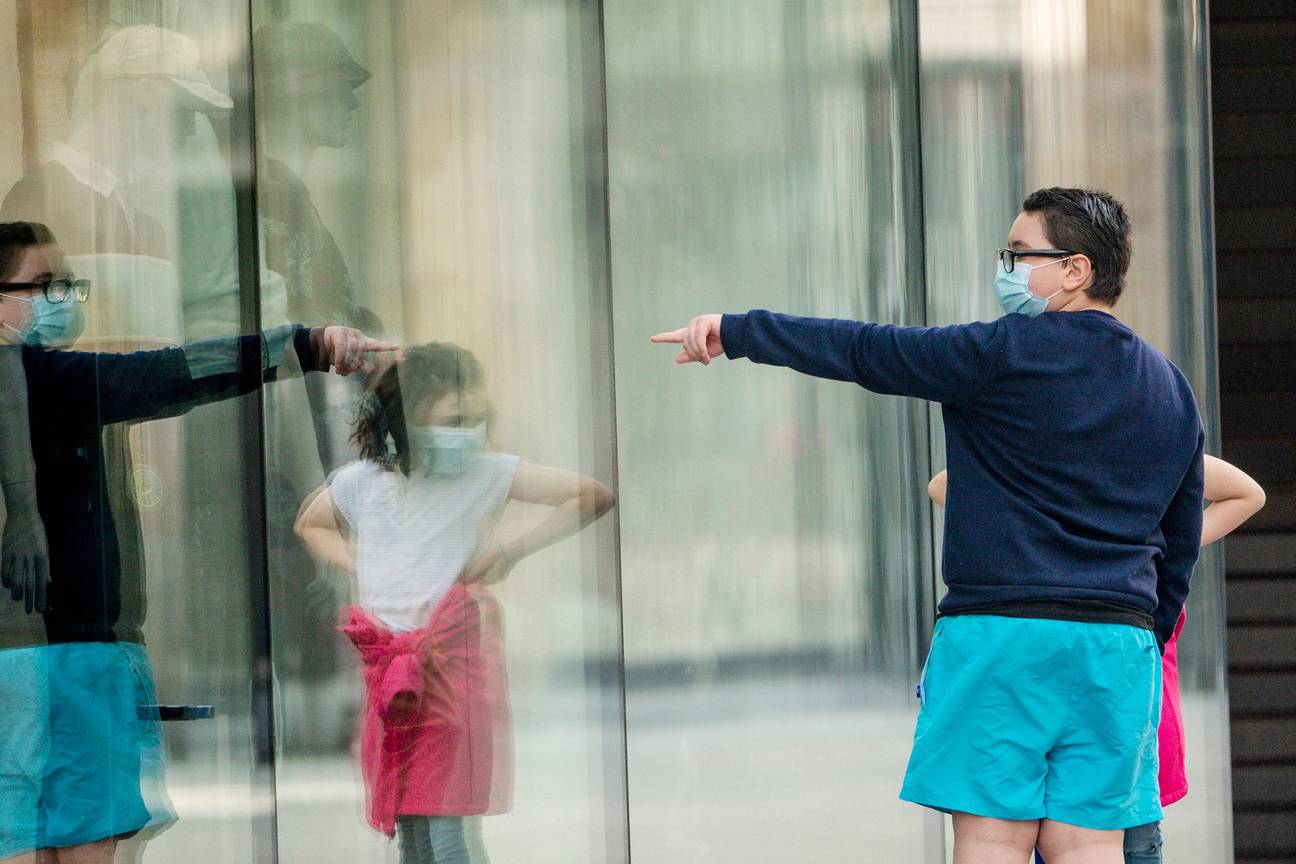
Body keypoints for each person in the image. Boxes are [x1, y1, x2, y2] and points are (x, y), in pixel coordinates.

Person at [652, 187, 1205, 864]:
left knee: (994, 841)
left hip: (1004, 637)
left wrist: (735, 330)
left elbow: (865, 349)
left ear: (1076, 270)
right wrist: (1143, 627)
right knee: (1091, 845)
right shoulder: (1171, 387)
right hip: (1117, 648)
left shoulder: (1002, 353)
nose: (1005, 268)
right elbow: (1178, 542)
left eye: (1018, 253)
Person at [0, 220, 395, 864]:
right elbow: (173, 374)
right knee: (80, 843)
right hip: (66, 655)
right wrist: (306, 344)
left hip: (48, 657)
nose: (62, 300)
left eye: (68, 286)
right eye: (45, 285)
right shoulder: (46, 381)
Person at [294, 342, 615, 864]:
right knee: (412, 825)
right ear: (407, 418)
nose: (468, 432)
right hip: (390, 672)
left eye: (477, 418)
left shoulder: (486, 472)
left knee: (448, 820)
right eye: (453, 419)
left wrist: (511, 551)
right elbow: (310, 522)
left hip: (453, 667)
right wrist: (366, 563)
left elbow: (591, 494)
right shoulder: (363, 483)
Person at [929, 456, 1265, 863]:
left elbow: (1247, 493)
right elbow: (944, 484)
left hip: (1114, 746)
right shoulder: (1131, 565)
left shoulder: (1138, 542)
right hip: (1099, 743)